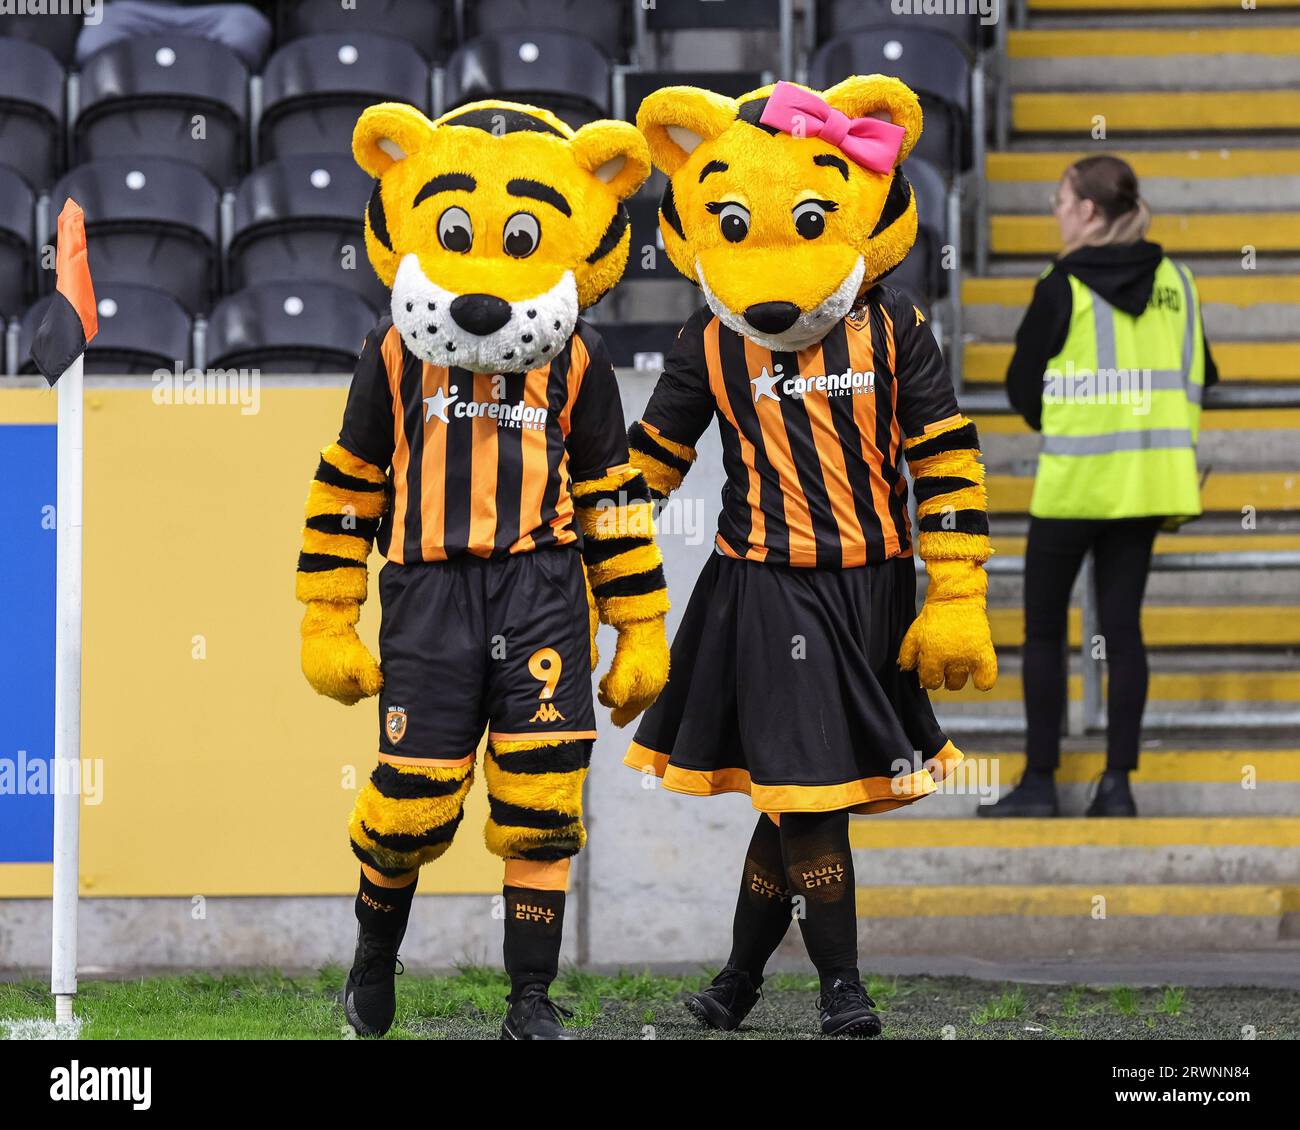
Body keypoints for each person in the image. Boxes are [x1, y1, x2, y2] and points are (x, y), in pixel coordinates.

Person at [624, 78, 997, 1037]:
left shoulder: (896, 323)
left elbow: (946, 455)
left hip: (875, 585)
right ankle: (844, 988)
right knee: (810, 792)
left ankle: (736, 984)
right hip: (765, 585)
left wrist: (956, 593)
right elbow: (651, 463)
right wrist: (603, 582)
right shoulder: (710, 337)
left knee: (794, 797)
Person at [295, 100, 671, 1039]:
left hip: (543, 590)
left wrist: (640, 622)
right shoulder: (390, 352)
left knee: (543, 799)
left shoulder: (577, 354)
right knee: (409, 802)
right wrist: (327, 614)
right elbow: (349, 483)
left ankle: (530, 1001)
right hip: (427, 594)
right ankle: (371, 964)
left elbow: (611, 492)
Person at [985, 155, 1218, 819]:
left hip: (1075, 487)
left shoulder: (1060, 284)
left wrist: (1065, 414)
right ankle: (1117, 786)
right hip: (1148, 486)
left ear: (1088, 211)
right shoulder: (1180, 281)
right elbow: (1204, 371)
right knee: (1123, 631)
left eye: (1060, 199)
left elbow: (1021, 388)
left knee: (1042, 632)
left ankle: (1039, 782)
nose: (1054, 210)